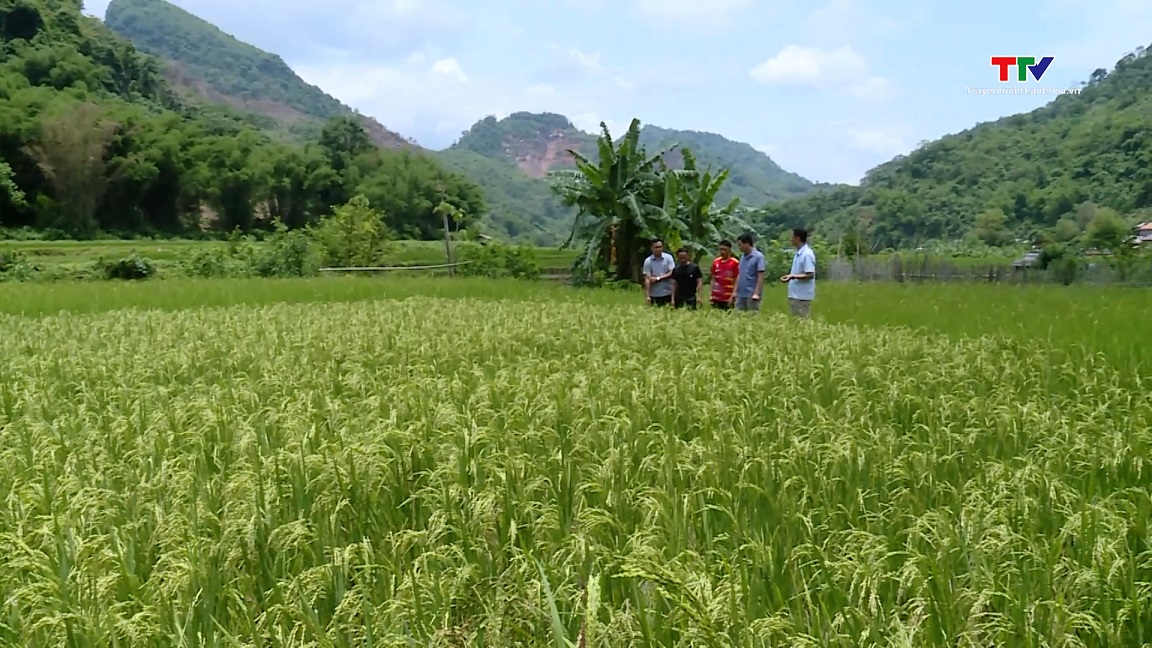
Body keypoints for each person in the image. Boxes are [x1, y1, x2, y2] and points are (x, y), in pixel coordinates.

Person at [780, 227, 816, 318]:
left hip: (802, 296)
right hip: (795, 295)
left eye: (792, 237)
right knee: (796, 322)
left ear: (798, 238)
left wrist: (792, 276)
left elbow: (810, 274)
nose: (790, 239)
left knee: (802, 322)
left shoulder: (807, 254)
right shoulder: (799, 253)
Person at [733, 233, 765, 311]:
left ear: (747, 243)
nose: (739, 247)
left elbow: (761, 275)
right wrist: (735, 291)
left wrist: (757, 293)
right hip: (741, 293)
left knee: (752, 316)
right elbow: (739, 275)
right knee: (739, 316)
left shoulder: (758, 257)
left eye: (740, 245)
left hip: (752, 293)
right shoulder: (742, 257)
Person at [642, 238, 675, 306]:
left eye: (660, 247)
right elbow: (647, 279)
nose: (658, 249)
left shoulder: (668, 258)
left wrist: (658, 278)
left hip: (668, 292)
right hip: (654, 294)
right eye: (656, 247)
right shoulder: (648, 261)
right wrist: (647, 296)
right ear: (652, 248)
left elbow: (672, 272)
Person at [709, 239, 739, 310]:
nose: (722, 252)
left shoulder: (735, 262)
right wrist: (711, 294)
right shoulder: (716, 262)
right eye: (721, 249)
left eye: (724, 249)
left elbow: (737, 280)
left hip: (728, 296)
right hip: (716, 296)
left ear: (729, 250)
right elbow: (713, 279)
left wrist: (733, 295)